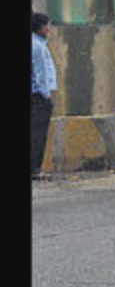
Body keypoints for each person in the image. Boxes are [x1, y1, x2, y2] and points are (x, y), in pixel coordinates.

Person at [31, 12, 58, 180]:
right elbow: (40, 73)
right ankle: (35, 169)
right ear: (40, 28)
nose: (49, 29)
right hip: (38, 95)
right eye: (47, 25)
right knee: (38, 133)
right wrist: (46, 94)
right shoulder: (38, 46)